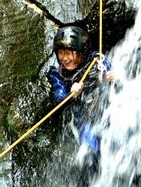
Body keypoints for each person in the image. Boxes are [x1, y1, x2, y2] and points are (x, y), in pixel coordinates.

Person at [46, 26, 116, 186]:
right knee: (92, 156)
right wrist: (71, 94)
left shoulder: (98, 61)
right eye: (61, 52)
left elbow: (120, 91)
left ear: (82, 51)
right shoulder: (57, 74)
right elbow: (58, 97)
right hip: (82, 120)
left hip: (108, 114)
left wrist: (117, 79)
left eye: (70, 52)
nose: (65, 58)